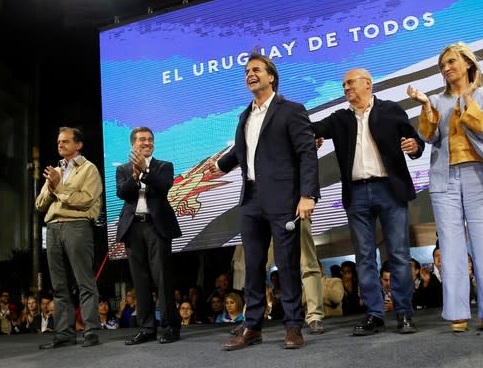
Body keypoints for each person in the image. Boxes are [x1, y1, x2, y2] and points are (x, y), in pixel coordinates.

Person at [205, 53, 319, 350]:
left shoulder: (291, 110)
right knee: (252, 265)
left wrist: (308, 195)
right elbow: (245, 151)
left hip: (284, 199)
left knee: (287, 264)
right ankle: (252, 326)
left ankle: (293, 325)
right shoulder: (245, 115)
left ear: (271, 77)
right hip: (251, 199)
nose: (249, 74)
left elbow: (307, 153)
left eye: (256, 70)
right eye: (246, 71)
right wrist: (219, 166)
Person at [407, 42, 483, 332]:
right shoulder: (438, 100)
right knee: (450, 246)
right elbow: (427, 136)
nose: (446, 68)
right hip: (445, 178)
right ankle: (457, 312)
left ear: (467, 64)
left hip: (480, 175)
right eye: (442, 65)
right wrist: (427, 106)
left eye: (452, 62)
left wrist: (467, 97)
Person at [313, 68, 424, 336]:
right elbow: (311, 128)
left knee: (398, 254)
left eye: (350, 82)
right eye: (343, 84)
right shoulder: (339, 119)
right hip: (357, 194)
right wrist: (310, 136)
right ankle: (374, 314)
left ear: (368, 84)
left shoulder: (391, 110)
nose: (346, 87)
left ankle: (403, 313)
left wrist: (414, 147)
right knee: (364, 257)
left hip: (390, 189)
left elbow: (415, 141)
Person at [35, 126, 103, 348]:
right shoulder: (54, 170)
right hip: (53, 227)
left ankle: (91, 330)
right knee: (59, 285)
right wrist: (52, 186)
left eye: (65, 141)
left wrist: (59, 188)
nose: (60, 145)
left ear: (78, 145)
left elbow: (85, 200)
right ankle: (64, 333)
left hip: (77, 226)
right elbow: (39, 204)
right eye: (58, 142)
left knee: (84, 281)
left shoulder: (88, 169)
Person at [115, 126, 183, 345]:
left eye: (150, 139)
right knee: (140, 280)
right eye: (142, 139)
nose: (147, 142)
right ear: (133, 144)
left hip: (156, 226)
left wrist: (145, 171)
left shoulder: (164, 166)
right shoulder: (124, 169)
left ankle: (170, 326)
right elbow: (122, 193)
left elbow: (163, 187)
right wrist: (135, 175)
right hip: (133, 227)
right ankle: (146, 327)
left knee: (162, 277)